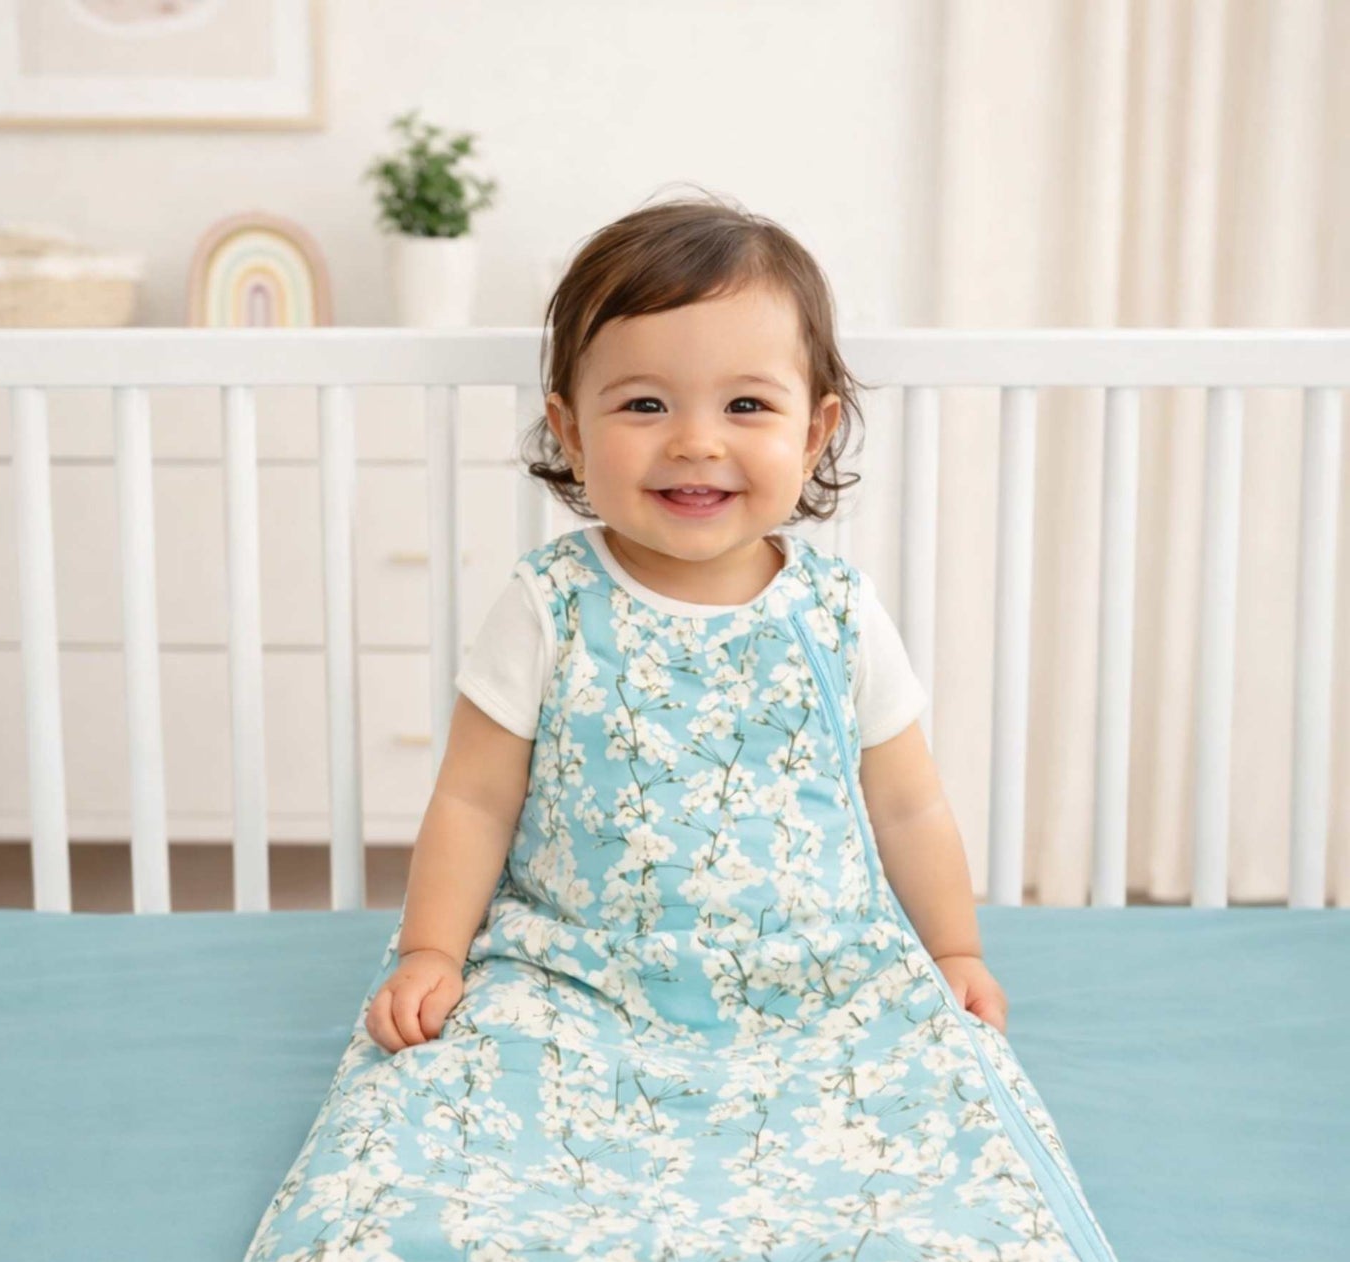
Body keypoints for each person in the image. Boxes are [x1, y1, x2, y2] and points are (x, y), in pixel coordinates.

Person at [364, 192, 1008, 1058]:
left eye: (745, 406)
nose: (696, 441)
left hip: (812, 971)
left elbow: (907, 805)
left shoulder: (838, 612)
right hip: (578, 969)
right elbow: (475, 802)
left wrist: (953, 949)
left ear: (813, 433)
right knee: (464, 1085)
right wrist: (432, 950)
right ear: (572, 431)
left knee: (914, 1084)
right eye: (644, 406)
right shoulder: (550, 602)